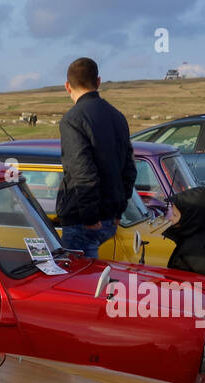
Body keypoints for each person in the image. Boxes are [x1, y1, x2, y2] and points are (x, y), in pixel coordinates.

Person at [55, 57, 136, 259]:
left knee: (79, 285)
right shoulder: (118, 116)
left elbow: (83, 173)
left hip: (83, 219)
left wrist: (91, 217)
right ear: (98, 82)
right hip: (110, 216)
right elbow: (129, 169)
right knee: (92, 280)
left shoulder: (72, 119)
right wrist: (118, 211)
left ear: (67, 86)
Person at [164, 186, 205, 285]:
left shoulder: (194, 250)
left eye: (175, 215)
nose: (170, 219)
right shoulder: (203, 236)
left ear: (190, 219)